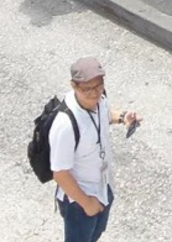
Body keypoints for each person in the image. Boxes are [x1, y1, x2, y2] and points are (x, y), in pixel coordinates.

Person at [48, 57, 139, 242]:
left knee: (95, 235)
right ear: (73, 86)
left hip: (103, 188)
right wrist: (86, 203)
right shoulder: (65, 124)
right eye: (87, 89)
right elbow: (60, 173)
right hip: (79, 201)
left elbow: (105, 115)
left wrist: (122, 117)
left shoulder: (99, 100)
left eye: (98, 86)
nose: (94, 93)